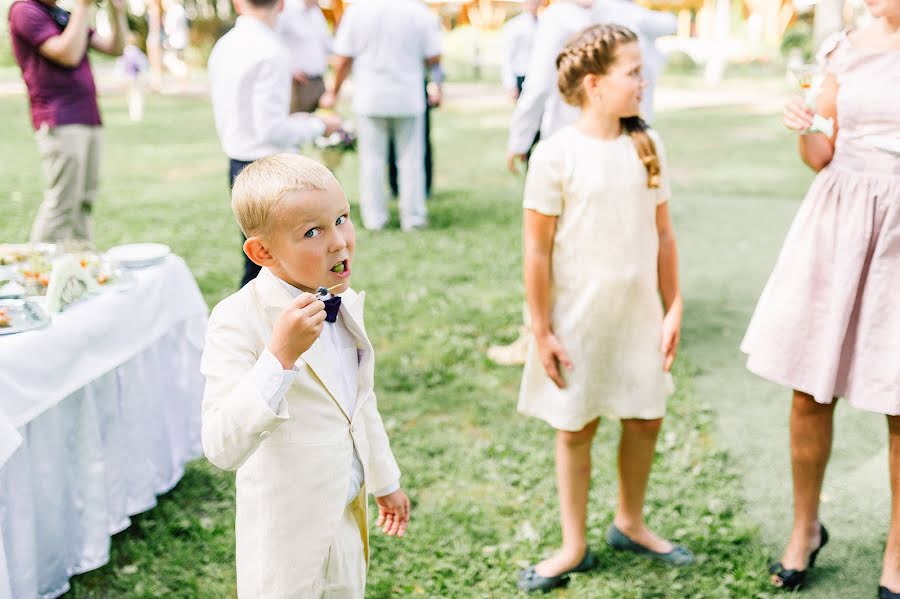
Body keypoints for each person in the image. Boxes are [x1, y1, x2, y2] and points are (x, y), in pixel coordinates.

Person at [514, 24, 692, 593]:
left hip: (639, 313)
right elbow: (537, 251)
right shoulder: (556, 155)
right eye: (634, 72)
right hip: (578, 318)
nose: (645, 81)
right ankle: (573, 543)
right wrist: (541, 330)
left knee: (646, 416)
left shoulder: (647, 144)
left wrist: (675, 305)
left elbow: (664, 236)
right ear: (594, 84)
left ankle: (630, 522)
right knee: (576, 426)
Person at [740, 1, 900, 594]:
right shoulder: (845, 47)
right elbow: (820, 156)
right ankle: (805, 528)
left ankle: (898, 555)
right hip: (841, 219)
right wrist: (806, 122)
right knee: (810, 387)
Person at [200, 154, 411, 598]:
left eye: (342, 219)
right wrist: (279, 357)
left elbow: (359, 402)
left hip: (346, 519)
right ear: (263, 252)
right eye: (312, 232)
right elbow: (221, 445)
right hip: (284, 538)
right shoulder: (237, 319)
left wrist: (384, 479)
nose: (339, 242)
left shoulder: (343, 299)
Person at [487, 0, 676, 366]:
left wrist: (518, 138)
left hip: (583, 141)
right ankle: (546, 330)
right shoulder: (624, 11)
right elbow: (665, 26)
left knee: (563, 244)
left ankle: (542, 330)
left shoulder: (560, 16)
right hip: (621, 137)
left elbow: (540, 84)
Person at [208, 0, 340, 287]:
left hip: (237, 161)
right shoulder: (272, 50)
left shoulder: (224, 45)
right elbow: (272, 129)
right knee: (281, 269)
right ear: (281, 4)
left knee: (261, 260)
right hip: (271, 170)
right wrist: (319, 124)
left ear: (238, 3)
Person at [8, 0, 128, 243]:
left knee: (84, 201)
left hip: (87, 115)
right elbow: (68, 54)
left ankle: (81, 268)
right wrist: (84, 7)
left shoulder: (61, 14)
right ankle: (39, 272)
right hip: (59, 118)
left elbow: (115, 48)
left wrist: (118, 12)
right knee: (62, 204)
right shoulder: (24, 9)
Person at [322, 0, 442, 231]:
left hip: (371, 95)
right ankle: (414, 217)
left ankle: (375, 218)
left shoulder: (358, 11)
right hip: (407, 95)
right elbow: (434, 55)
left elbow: (344, 58)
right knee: (411, 159)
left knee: (372, 160)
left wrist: (333, 92)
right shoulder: (418, 11)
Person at [276, 0, 332, 113]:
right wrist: (289, 70)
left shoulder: (316, 12)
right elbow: (272, 41)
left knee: (321, 125)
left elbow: (328, 44)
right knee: (298, 124)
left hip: (318, 82)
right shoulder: (286, 10)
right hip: (297, 85)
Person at [502, 0, 541, 101]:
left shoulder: (543, 22)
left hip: (537, 74)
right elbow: (507, 56)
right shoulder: (514, 25)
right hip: (521, 75)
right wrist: (510, 84)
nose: (534, 3)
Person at [118, 33, 149, 122]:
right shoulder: (138, 53)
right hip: (135, 77)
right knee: (136, 96)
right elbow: (143, 65)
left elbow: (120, 65)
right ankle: (136, 114)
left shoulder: (124, 52)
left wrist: (119, 77)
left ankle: (133, 113)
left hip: (127, 77)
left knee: (130, 96)